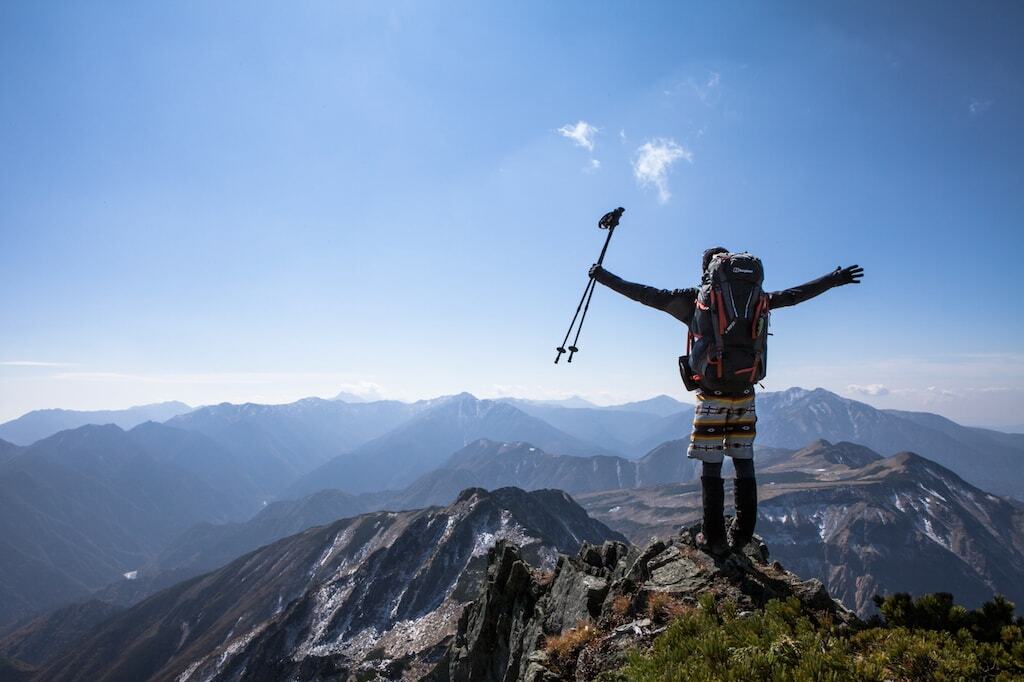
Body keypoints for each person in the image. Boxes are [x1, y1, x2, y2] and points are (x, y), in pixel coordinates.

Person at [589, 248, 863, 553]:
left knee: (711, 464)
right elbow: (795, 295)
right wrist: (833, 279)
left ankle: (714, 537)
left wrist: (603, 277)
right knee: (744, 460)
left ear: (707, 271)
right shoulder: (758, 299)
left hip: (711, 393)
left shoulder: (694, 299)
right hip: (745, 393)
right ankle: (743, 533)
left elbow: (643, 293)